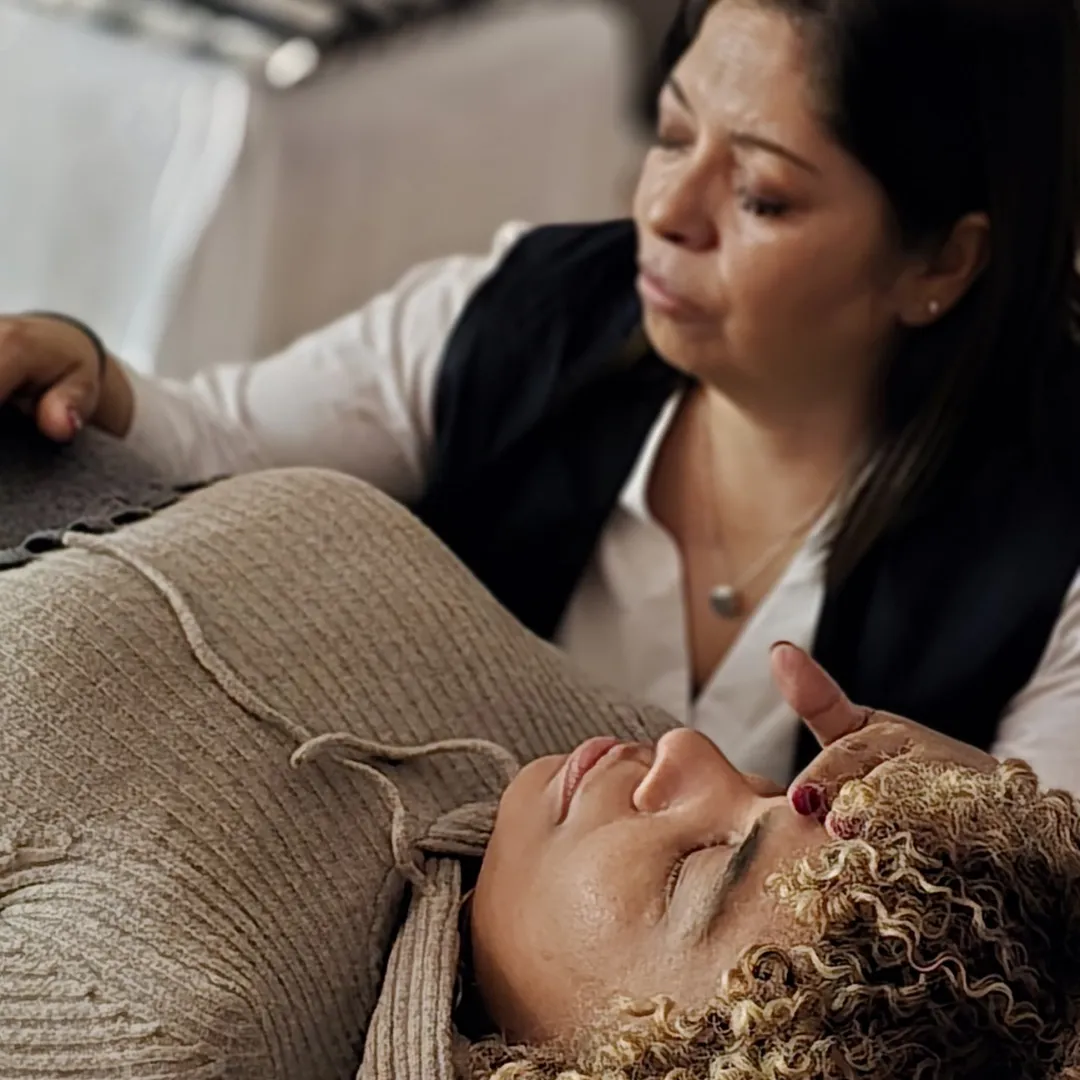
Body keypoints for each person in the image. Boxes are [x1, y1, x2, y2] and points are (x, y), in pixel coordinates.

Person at [3, 0, 1080, 792]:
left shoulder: (1049, 547)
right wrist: (88, 372)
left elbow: (1048, 893)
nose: (666, 209)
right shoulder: (526, 314)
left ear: (940, 262)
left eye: (760, 195)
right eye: (671, 134)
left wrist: (969, 828)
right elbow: (220, 443)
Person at [1, 466, 1078, 1080]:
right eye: (765, 786)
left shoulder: (168, 1034)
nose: (688, 753)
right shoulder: (569, 789)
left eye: (695, 871)